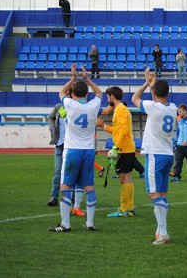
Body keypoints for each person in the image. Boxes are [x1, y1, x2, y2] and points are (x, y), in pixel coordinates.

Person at [48, 63, 102, 233]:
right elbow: (99, 93)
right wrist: (87, 79)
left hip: (72, 150)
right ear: (87, 93)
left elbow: (61, 93)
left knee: (66, 186)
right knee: (89, 187)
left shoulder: (70, 105)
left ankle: (65, 223)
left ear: (73, 93)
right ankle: (90, 222)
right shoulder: (93, 106)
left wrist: (73, 78)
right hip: (88, 151)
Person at [131, 68, 177, 245]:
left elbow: (135, 98)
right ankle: (160, 230)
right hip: (167, 154)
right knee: (162, 193)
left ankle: (163, 232)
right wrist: (153, 85)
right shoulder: (172, 108)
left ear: (155, 92)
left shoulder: (153, 107)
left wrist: (146, 83)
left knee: (153, 193)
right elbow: (156, 101)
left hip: (155, 155)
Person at [97, 86, 137, 218]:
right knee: (127, 178)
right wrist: (104, 126)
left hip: (124, 149)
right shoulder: (120, 109)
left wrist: (116, 147)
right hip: (127, 148)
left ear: (112, 96)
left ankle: (123, 209)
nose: (107, 98)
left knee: (123, 178)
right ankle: (129, 208)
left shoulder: (120, 109)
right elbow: (118, 130)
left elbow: (124, 130)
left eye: (108, 96)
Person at [170, 104, 187, 183]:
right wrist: (176, 141)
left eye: (180, 111)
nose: (179, 113)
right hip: (180, 145)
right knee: (178, 161)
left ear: (185, 111)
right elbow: (178, 132)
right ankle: (177, 176)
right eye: (178, 111)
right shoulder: (180, 121)